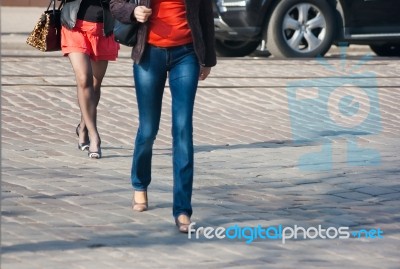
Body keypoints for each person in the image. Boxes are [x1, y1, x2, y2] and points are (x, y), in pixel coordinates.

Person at [110, 0, 217, 232]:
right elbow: (115, 4)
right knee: (148, 130)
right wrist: (133, 11)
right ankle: (140, 183)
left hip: (186, 54)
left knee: (183, 130)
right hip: (149, 53)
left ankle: (182, 209)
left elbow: (206, 15)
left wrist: (208, 58)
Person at [61, 0, 120, 159]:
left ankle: (84, 128)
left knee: (94, 85)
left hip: (103, 29)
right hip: (74, 26)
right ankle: (95, 137)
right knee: (84, 80)